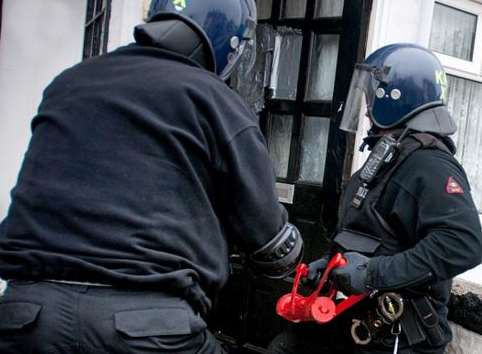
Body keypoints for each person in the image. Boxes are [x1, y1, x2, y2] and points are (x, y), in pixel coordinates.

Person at [0, 1, 303, 353]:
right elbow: (271, 243)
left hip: (27, 315)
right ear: (229, 41)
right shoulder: (214, 99)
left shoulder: (69, 82)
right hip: (144, 325)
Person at [268, 43, 482, 354]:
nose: (366, 107)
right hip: (352, 321)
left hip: (399, 336)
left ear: (396, 97)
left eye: (371, 94)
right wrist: (328, 266)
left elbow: (463, 242)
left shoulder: (430, 165)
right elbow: (373, 234)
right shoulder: (390, 155)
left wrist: (373, 274)